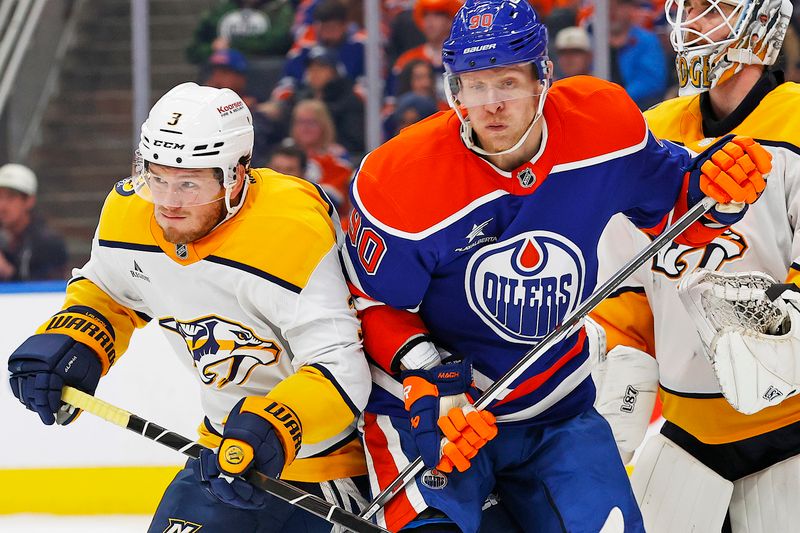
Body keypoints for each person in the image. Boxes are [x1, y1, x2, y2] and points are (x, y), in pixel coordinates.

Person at [340, 0, 772, 531]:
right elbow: (371, 304)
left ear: (543, 76)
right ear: (455, 88)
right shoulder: (399, 178)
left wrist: (719, 192)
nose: (491, 104)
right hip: (435, 419)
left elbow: (680, 208)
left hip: (556, 406)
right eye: (475, 85)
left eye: (508, 82)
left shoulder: (601, 125)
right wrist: (430, 376)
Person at [6, 83, 371, 532]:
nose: (168, 203)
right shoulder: (130, 212)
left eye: (189, 184)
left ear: (235, 175)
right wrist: (70, 341)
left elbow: (340, 365)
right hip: (220, 457)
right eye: (156, 178)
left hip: (321, 471)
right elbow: (108, 293)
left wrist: (277, 426)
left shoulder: (290, 229)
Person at [591, 0, 799, 531]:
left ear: (763, 21)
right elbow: (622, 297)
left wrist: (773, 332)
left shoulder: (796, 123)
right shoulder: (650, 134)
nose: (696, 23)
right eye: (691, 8)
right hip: (684, 431)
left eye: (717, 9)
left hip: (791, 430)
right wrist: (615, 419)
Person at [0, 163, 67, 281]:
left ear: (29, 201)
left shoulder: (48, 243)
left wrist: (7, 272)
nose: (2, 206)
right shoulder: (5, 238)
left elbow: (49, 292)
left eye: (11, 197)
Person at [609, 0, 669, 109]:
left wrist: (617, 98)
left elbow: (652, 82)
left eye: (620, 4)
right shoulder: (593, 41)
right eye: (609, 5)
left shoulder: (646, 41)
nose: (613, 10)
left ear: (631, 8)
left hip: (637, 107)